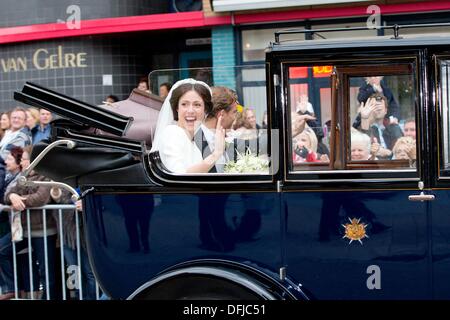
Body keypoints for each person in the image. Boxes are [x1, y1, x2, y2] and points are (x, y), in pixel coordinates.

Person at [150, 78, 225, 174]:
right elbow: (179, 176)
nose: (190, 110)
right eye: (184, 104)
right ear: (177, 108)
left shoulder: (193, 139)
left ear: (205, 110)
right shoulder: (173, 133)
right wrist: (216, 154)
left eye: (197, 105)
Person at [195, 86, 238, 173]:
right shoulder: (194, 141)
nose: (235, 117)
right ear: (221, 114)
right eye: (234, 112)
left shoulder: (223, 135)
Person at [355, 93, 403, 159]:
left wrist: (389, 153)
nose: (378, 107)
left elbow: (402, 151)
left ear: (386, 111)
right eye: (374, 105)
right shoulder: (362, 126)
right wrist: (364, 118)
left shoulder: (394, 128)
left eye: (380, 105)